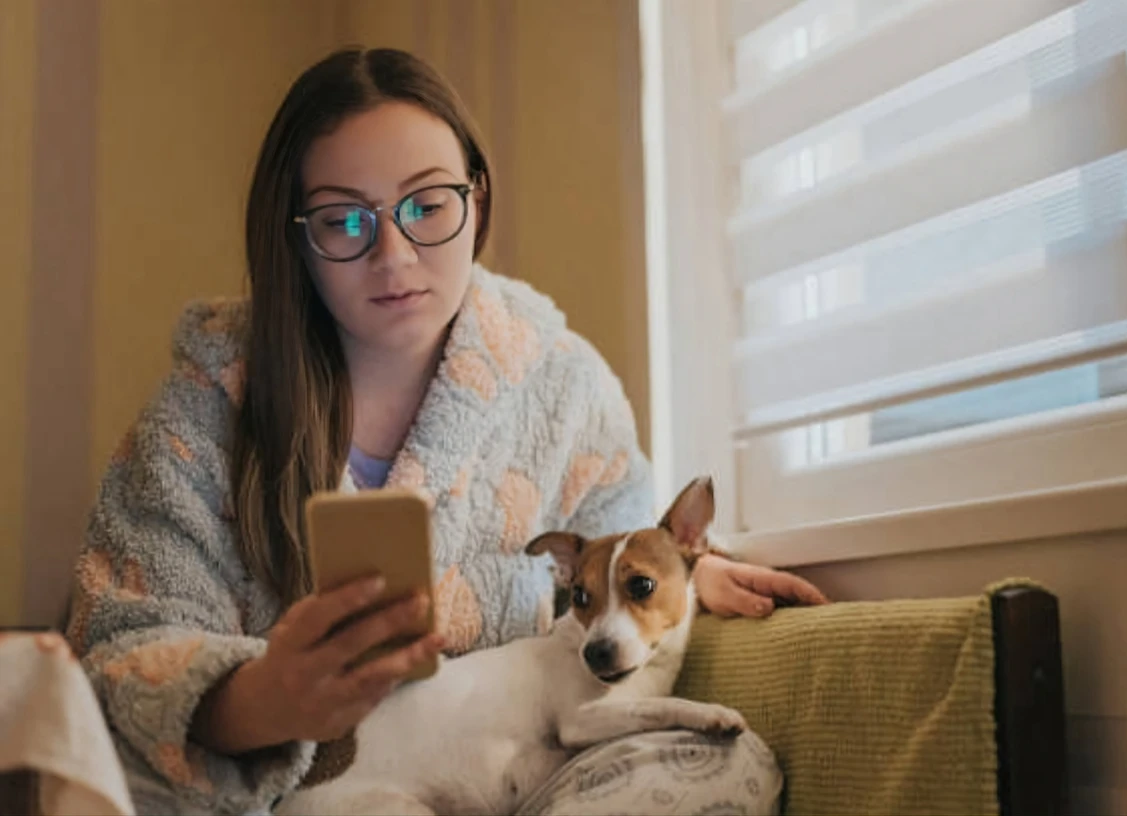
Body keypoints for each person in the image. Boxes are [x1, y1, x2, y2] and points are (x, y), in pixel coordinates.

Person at [65, 47, 827, 815]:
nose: (393, 257)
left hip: (535, 776)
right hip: (312, 798)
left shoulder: (563, 385)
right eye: (344, 220)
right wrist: (262, 700)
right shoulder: (205, 408)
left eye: (428, 205)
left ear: (478, 198)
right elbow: (124, 652)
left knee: (730, 766)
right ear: (296, 236)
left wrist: (681, 578)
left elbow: (614, 550)